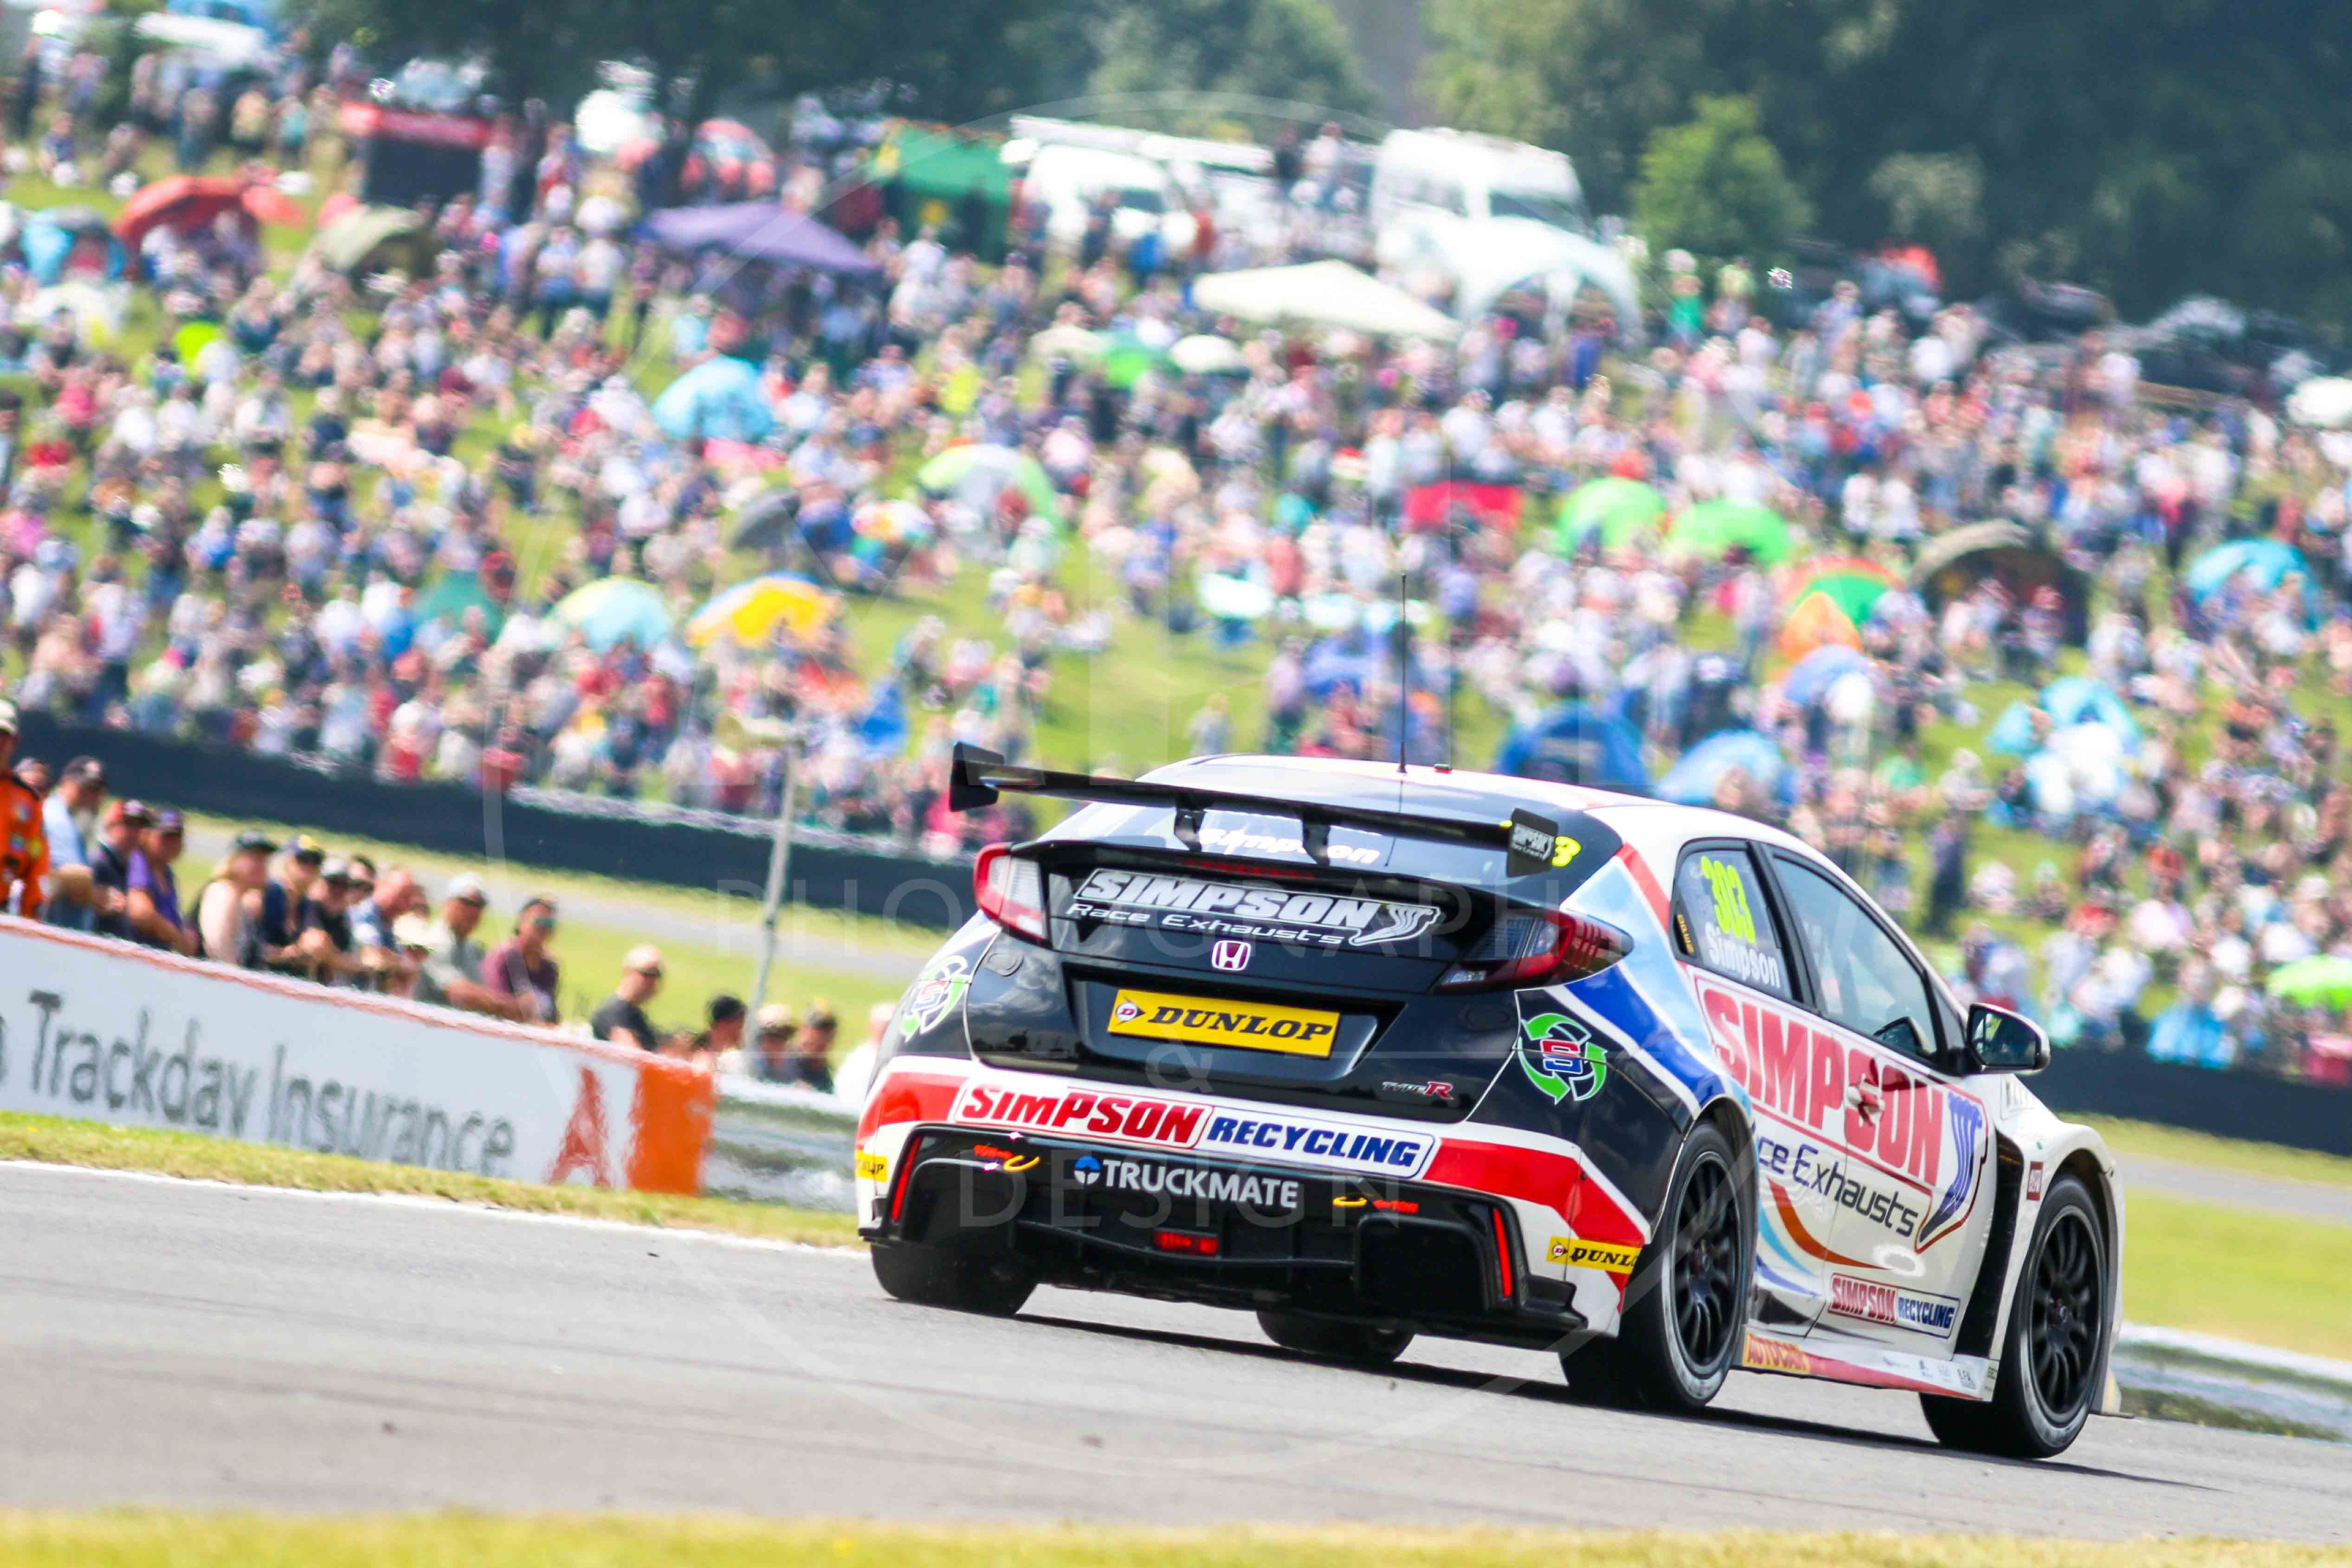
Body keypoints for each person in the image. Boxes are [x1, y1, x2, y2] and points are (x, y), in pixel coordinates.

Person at [415, 873, 524, 1019]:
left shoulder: (473, 950)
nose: (473, 911)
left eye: (480, 905)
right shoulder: (433, 941)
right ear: (448, 903)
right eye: (466, 902)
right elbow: (459, 994)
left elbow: (482, 992)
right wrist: (508, 1005)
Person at [40, 756, 107, 931]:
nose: (91, 797)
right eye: (84, 789)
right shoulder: (57, 818)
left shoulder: (74, 822)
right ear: (65, 784)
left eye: (97, 791)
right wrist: (98, 896)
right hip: (50, 933)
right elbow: (77, 878)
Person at [193, 830, 274, 963]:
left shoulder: (242, 899)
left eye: (264, 860)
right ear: (234, 861)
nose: (262, 866)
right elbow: (219, 953)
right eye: (255, 859)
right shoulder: (223, 893)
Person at [0, 700, 48, 921]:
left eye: (4, 735)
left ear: (15, 741)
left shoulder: (28, 801)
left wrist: (31, 922)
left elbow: (37, 865)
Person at [253, 834, 327, 974]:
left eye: (316, 862)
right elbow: (256, 949)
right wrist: (293, 952)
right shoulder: (268, 894)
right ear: (287, 862)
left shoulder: (308, 905)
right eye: (303, 859)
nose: (309, 866)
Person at [483, 895, 561, 1024]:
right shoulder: (503, 957)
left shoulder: (549, 967)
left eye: (549, 924)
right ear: (522, 921)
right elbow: (495, 1004)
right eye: (539, 921)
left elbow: (552, 1015)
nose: (543, 928)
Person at [124, 809, 192, 954]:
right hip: (134, 953)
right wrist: (176, 937)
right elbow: (141, 913)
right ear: (146, 835)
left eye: (177, 837)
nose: (172, 843)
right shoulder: (139, 863)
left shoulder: (166, 873)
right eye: (165, 837)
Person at [87, 798, 146, 939]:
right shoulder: (99, 862)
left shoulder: (134, 866)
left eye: (139, 827)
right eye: (128, 825)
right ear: (110, 825)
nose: (134, 833)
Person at [589, 944, 665, 1050]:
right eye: (647, 974)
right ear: (628, 972)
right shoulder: (612, 1012)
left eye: (657, 975)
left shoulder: (637, 1016)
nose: (652, 981)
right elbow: (632, 1052)